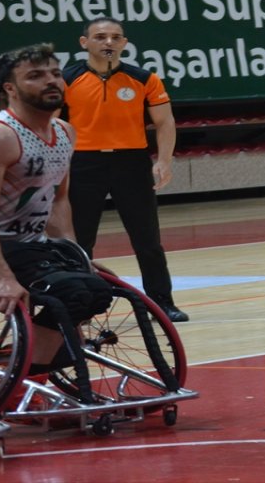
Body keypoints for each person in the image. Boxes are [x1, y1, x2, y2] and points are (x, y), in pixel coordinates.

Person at [0, 44, 112, 404]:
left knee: (95, 288)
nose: (51, 81)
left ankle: (23, 363)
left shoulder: (65, 133)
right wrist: (1, 277)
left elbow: (57, 201)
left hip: (26, 245)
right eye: (35, 76)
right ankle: (17, 379)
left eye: (55, 73)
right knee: (72, 292)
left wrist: (76, 255)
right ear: (10, 88)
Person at [63, 18, 186, 322]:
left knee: (147, 239)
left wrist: (164, 161)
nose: (108, 42)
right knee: (80, 241)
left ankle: (162, 303)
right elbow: (50, 124)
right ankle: (80, 304)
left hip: (131, 162)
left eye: (116, 37)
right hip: (83, 162)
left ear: (124, 43)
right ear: (84, 43)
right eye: (101, 37)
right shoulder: (66, 79)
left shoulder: (144, 79)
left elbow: (165, 122)